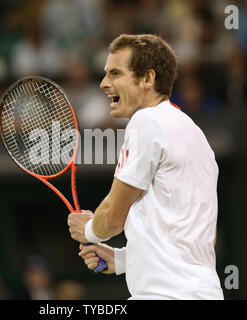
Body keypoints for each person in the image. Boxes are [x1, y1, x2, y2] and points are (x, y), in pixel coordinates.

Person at [67, 34, 223, 300]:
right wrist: (124, 259)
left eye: (116, 74)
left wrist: (90, 229)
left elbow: (114, 218)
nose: (104, 83)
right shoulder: (195, 135)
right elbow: (195, 235)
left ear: (148, 78)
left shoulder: (145, 122)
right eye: (106, 74)